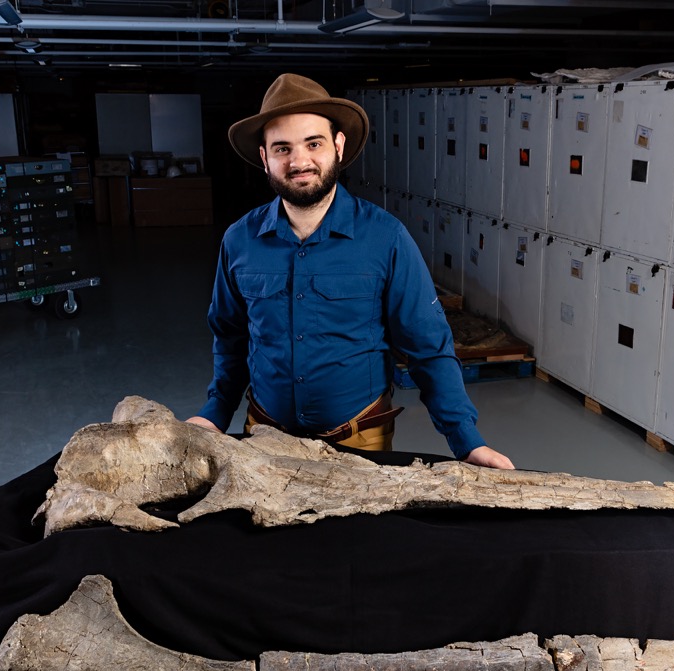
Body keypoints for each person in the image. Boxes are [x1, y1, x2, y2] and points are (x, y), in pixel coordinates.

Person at [186, 73, 514, 470]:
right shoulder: (239, 241)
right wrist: (215, 414)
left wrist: (466, 442)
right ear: (264, 157)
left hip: (361, 442)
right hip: (265, 439)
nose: (299, 161)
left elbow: (428, 348)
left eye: (313, 143)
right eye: (282, 148)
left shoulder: (386, 238)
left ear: (338, 147)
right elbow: (231, 336)